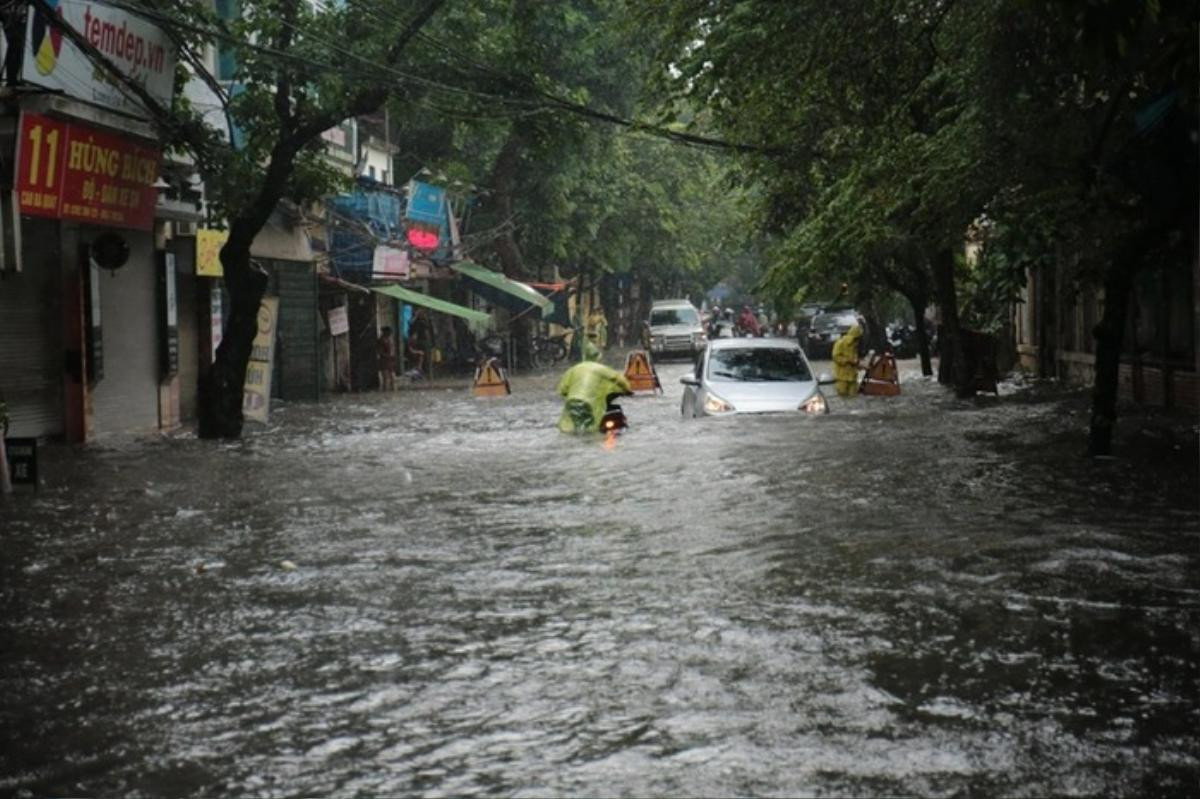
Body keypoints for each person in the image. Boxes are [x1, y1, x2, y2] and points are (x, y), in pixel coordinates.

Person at [556, 361, 632, 433]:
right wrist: (628, 390)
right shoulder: (601, 369)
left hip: (572, 402)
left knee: (576, 427)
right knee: (592, 428)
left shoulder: (574, 369)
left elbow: (562, 390)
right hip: (589, 403)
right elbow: (618, 378)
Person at [831, 323, 865, 397]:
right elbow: (835, 357)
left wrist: (859, 365)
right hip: (842, 377)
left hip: (852, 376)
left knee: (853, 396)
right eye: (857, 338)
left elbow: (855, 359)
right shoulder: (840, 343)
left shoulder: (855, 346)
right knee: (842, 395)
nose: (858, 341)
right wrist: (848, 361)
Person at [377, 326, 396, 391]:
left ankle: (392, 391)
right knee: (385, 378)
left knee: (393, 378)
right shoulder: (381, 340)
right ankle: (385, 391)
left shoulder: (390, 339)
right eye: (389, 332)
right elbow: (380, 352)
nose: (390, 334)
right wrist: (388, 355)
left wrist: (392, 356)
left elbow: (392, 349)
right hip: (384, 361)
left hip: (390, 360)